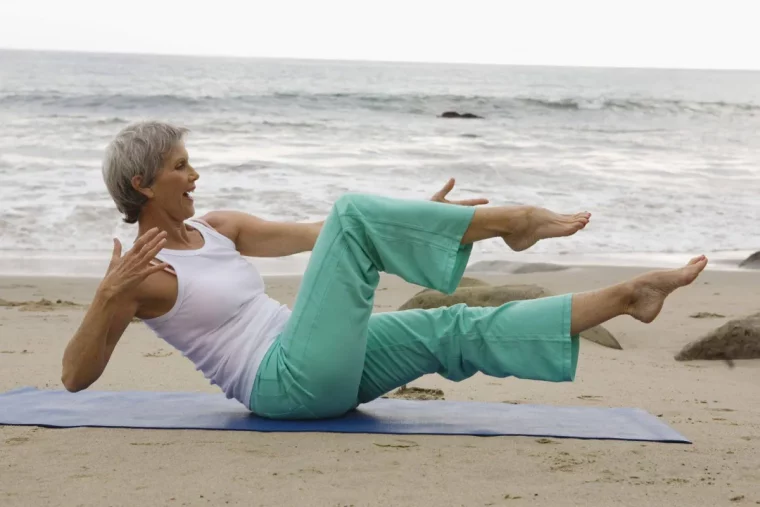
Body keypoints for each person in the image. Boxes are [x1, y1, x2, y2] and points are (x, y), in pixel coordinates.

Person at [61, 121, 708, 420]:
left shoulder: (218, 226)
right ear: (143, 184)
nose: (194, 173)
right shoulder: (140, 277)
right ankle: (516, 223)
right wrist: (103, 299)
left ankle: (628, 295)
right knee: (352, 214)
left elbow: (324, 237)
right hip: (281, 383)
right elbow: (73, 378)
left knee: (453, 326)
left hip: (320, 366)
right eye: (180, 166)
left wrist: (421, 218)